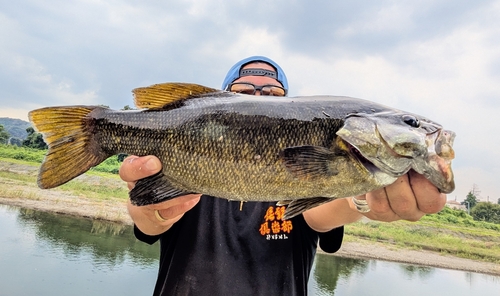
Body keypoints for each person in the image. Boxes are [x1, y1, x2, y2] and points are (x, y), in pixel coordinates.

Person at [121, 56, 446, 296]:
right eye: (244, 91)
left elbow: (324, 214)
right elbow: (147, 222)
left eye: (273, 96)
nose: (258, 99)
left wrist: (364, 196)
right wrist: (153, 209)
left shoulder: (307, 181)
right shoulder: (189, 169)